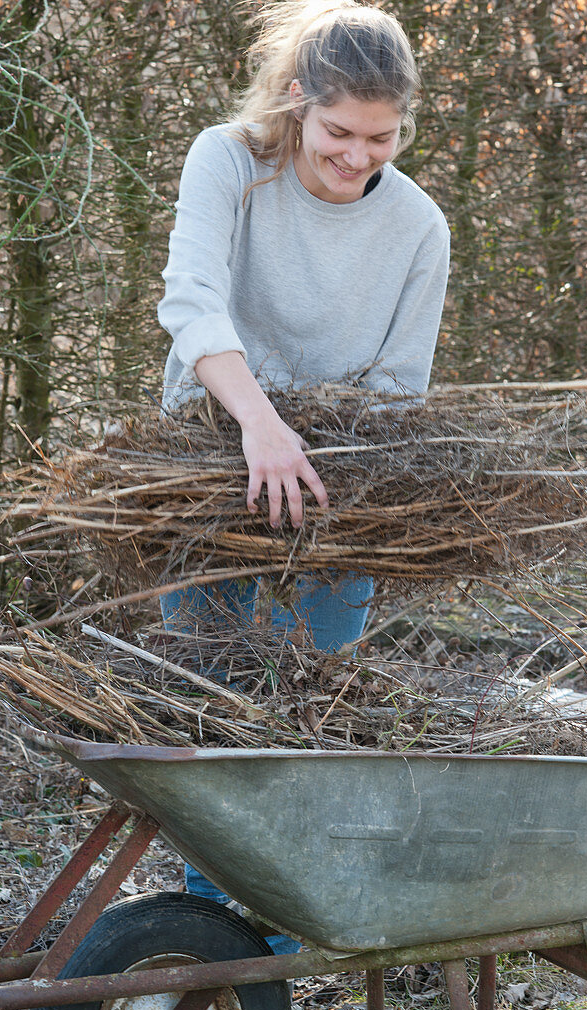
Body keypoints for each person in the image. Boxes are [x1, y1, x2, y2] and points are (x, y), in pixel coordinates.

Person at [157, 0, 450, 953]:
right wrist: (260, 425)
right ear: (296, 101)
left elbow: (401, 392)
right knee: (215, 720)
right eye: (337, 132)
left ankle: (277, 960)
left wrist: (326, 461)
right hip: (204, 466)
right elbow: (193, 301)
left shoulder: (418, 227)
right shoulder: (230, 164)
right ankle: (214, 945)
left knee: (305, 724)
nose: (359, 155)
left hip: (336, 494)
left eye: (382, 136)